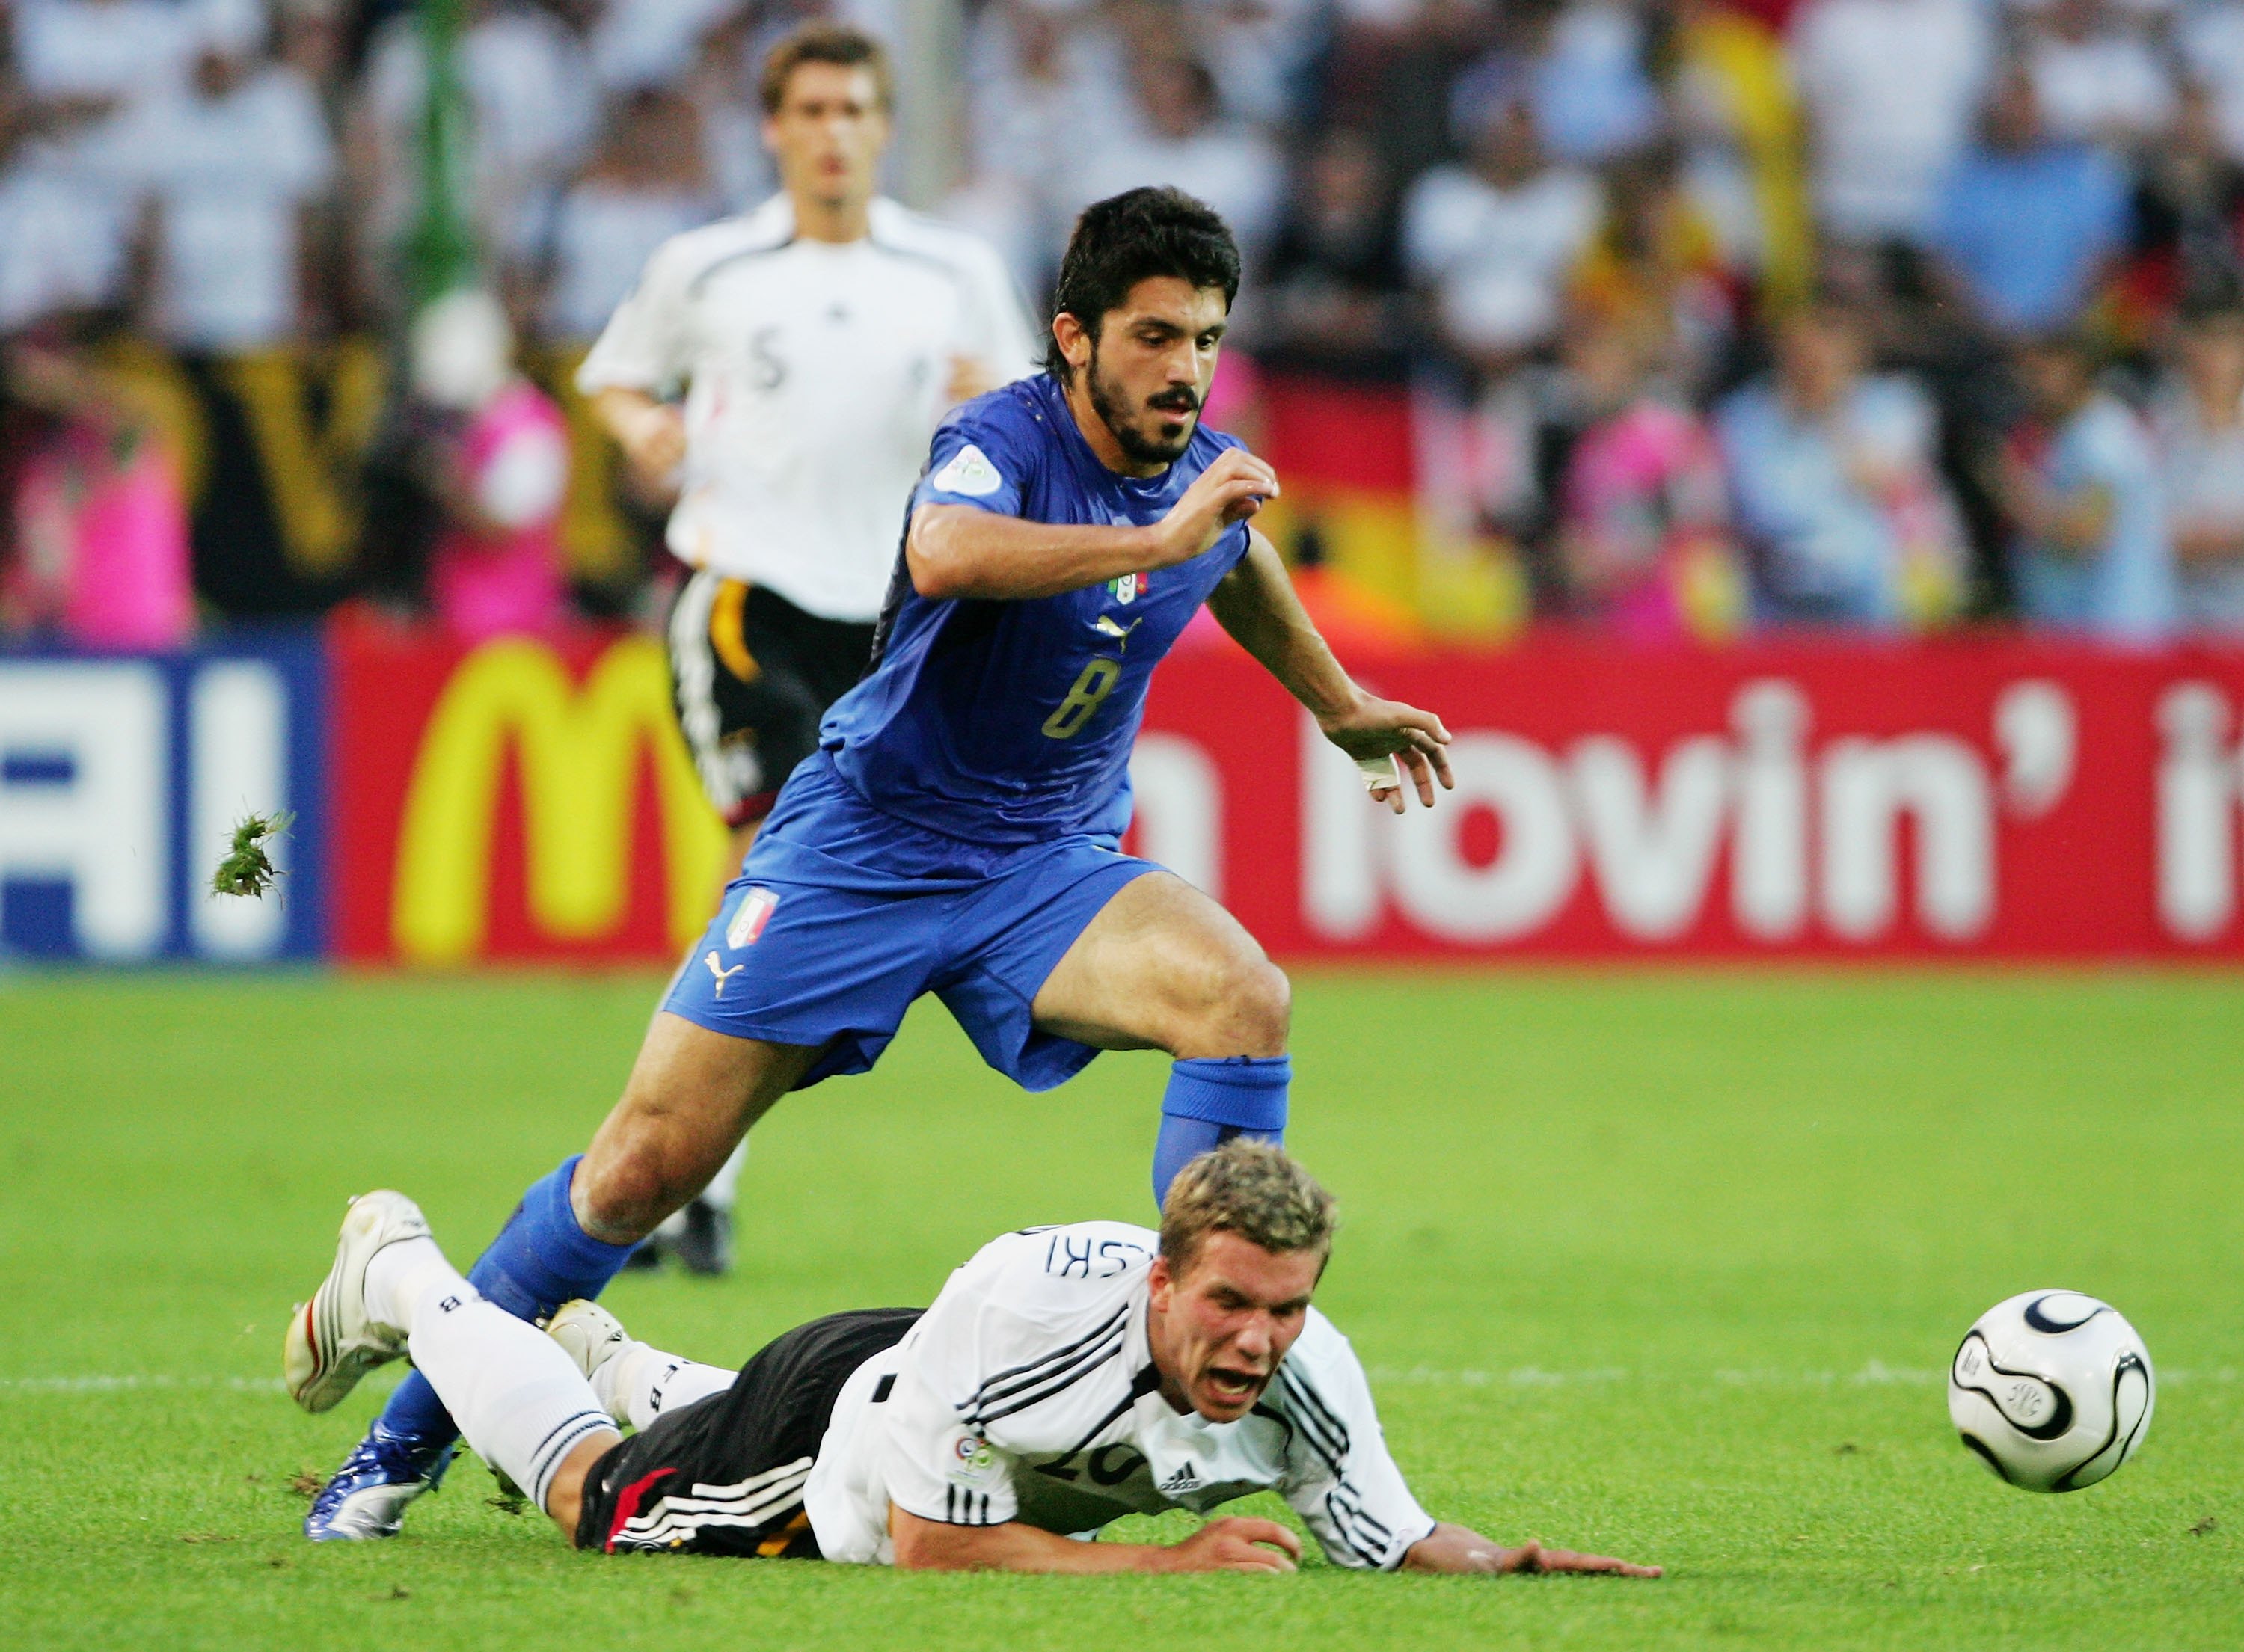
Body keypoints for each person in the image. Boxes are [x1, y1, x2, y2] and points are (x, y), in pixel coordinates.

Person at [302, 183, 1453, 1544]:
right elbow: (942, 548)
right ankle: (393, 1442)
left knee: (1242, 995)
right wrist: (1151, 538)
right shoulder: (1000, 441)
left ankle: (1185, 1344)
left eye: (1206, 337)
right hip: (867, 848)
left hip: (1043, 863)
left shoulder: (1203, 468)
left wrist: (1335, 701)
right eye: (1155, 337)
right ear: (1073, 338)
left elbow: (1239, 557)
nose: (1186, 368)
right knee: (636, 1172)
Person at [286, 1140, 1661, 1578]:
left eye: (1288, 1307)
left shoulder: (1307, 1370)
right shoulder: (1031, 1301)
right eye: (1233, 1300)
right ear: (1162, 1275)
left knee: (666, 1426)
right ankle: (399, 1269)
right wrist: (1165, 1565)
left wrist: (1504, 1564)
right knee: (597, 1497)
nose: (1259, 1337)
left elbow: (1390, 1532)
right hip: (833, 1444)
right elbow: (934, 1537)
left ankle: (605, 1348)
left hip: (930, 1378)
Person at [578, 23, 1038, 1274]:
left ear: (884, 128)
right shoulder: (708, 265)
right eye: (813, 110)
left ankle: (689, 1164)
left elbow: (1030, 418)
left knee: (805, 902)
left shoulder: (951, 269)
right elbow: (614, 377)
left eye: (854, 111)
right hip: (749, 592)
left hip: (898, 621)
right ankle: (690, 1180)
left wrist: (980, 401)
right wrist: (643, 432)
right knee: (768, 860)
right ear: (775, 128)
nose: (834, 132)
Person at [1717, 300, 1966, 629]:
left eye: (1824, 346)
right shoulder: (1743, 415)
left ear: (1855, 350)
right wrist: (1792, 416)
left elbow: (1880, 481)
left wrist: (1831, 411)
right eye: (1798, 348)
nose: (1809, 359)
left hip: (1870, 589)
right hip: (1773, 588)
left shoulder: (1895, 403)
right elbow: (1752, 499)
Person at [1996, 330, 2174, 639]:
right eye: (2026, 371)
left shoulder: (2102, 436)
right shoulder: (2072, 431)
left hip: (2117, 629)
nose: (2033, 383)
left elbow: (2086, 530)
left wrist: (2014, 499)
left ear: (2077, 368)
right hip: (2084, 628)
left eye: (2044, 370)